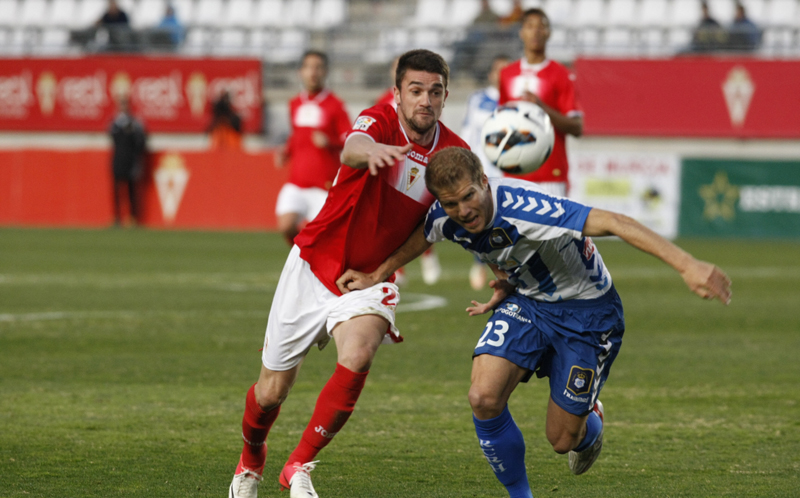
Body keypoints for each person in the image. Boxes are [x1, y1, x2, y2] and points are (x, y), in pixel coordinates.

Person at [337, 147, 732, 498]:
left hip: (588, 313)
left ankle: (590, 421)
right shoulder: (446, 215)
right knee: (483, 397)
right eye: (451, 203)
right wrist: (379, 274)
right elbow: (425, 235)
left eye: (469, 197)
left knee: (562, 440)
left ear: (484, 182)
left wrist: (688, 265)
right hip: (528, 302)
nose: (463, 211)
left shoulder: (531, 209)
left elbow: (614, 221)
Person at [228, 49, 469, 498]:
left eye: (435, 92)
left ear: (445, 96)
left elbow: (435, 227)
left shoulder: (453, 154)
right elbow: (352, 147)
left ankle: (297, 465)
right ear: (397, 94)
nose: (425, 101)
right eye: (415, 90)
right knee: (270, 392)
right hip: (315, 262)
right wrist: (373, 150)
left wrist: (383, 270)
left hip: (369, 278)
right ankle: (252, 459)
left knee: (359, 353)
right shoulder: (376, 122)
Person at [498, 8, 582, 199]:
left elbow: (577, 128)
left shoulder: (562, 74)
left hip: (550, 175)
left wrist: (541, 108)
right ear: (521, 32)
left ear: (549, 33)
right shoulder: (507, 74)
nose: (535, 31)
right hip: (513, 174)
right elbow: (501, 121)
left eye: (541, 26)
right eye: (529, 26)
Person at [372, 55, 442, 285]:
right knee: (392, 218)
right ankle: (397, 269)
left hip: (416, 160)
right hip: (389, 163)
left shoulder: (422, 101)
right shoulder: (383, 101)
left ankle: (428, 257)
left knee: (417, 214)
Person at [273, 50, 352, 246]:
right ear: (301, 71)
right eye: (308, 67)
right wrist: (286, 151)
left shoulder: (335, 105)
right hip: (297, 182)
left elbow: (350, 138)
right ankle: (304, 259)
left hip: (324, 185)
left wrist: (330, 141)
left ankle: (314, 264)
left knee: (328, 239)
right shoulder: (295, 103)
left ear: (325, 72)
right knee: (286, 226)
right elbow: (296, 134)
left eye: (318, 67)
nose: (313, 72)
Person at [460, 54, 512, 290]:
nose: (501, 75)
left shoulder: (517, 101)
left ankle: (506, 267)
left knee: (505, 222)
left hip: (509, 173)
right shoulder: (478, 99)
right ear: (491, 73)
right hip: (482, 171)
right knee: (479, 220)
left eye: (506, 71)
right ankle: (479, 264)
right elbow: (468, 131)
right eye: (497, 70)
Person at [109, 96, 147, 226]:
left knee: (131, 190)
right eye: (121, 104)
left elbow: (142, 142)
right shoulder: (115, 122)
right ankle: (117, 218)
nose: (123, 107)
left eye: (125, 104)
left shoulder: (135, 123)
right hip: (118, 160)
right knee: (116, 191)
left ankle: (132, 218)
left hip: (131, 161)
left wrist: (137, 159)